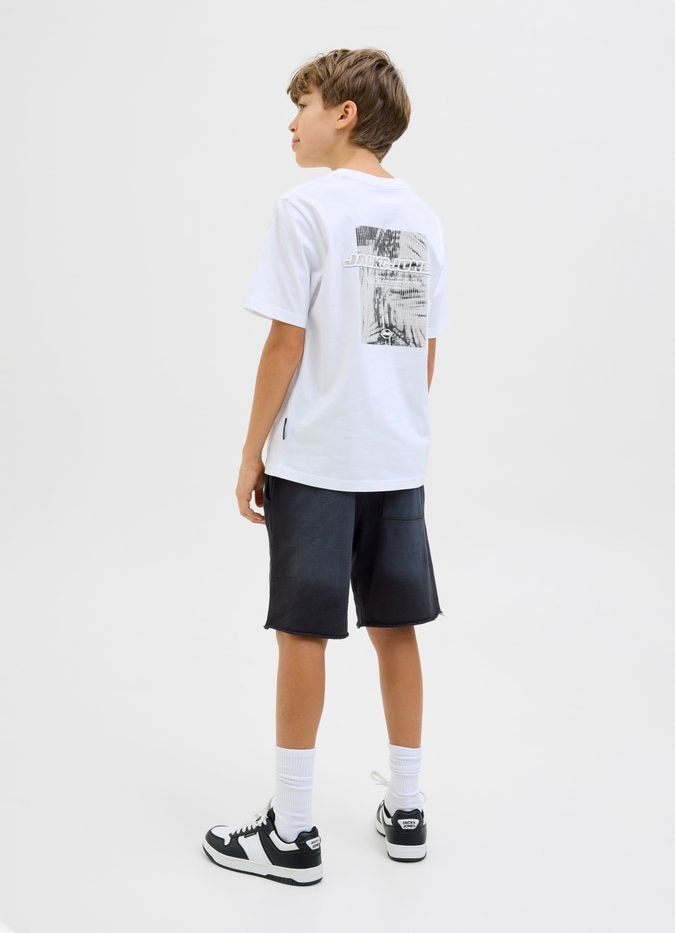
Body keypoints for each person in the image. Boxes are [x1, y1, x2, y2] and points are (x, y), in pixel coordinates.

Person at [202, 47, 448, 886]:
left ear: (343, 113)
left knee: (304, 629)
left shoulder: (305, 208)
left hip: (315, 459)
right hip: (396, 460)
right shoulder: (422, 218)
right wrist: (395, 429)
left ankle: (294, 831)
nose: (291, 122)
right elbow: (421, 348)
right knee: (395, 626)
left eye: (302, 104)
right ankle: (407, 809)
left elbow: (285, 341)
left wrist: (251, 451)